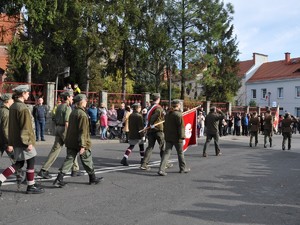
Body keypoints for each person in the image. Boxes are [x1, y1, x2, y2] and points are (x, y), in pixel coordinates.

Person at [0, 85, 44, 196]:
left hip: (16, 140)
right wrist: (28, 142)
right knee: (29, 161)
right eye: (27, 93)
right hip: (23, 140)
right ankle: (30, 186)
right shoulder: (23, 108)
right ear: (23, 93)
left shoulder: (14, 106)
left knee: (19, 163)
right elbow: (25, 126)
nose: (28, 94)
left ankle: (30, 184)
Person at [53, 94, 103, 187]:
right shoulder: (82, 114)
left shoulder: (74, 112)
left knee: (69, 159)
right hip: (80, 141)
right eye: (85, 100)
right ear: (81, 102)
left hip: (72, 140)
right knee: (87, 158)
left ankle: (59, 178)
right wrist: (83, 145)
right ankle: (93, 178)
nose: (86, 102)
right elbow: (83, 131)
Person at [38, 91, 82, 179]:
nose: (72, 98)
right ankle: (75, 170)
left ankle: (44, 170)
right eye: (71, 96)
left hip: (57, 128)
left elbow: (54, 118)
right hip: (64, 129)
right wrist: (71, 133)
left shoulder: (59, 106)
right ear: (68, 97)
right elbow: (67, 122)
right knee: (72, 148)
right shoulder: (67, 108)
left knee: (55, 150)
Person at [157, 100, 190, 176]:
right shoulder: (178, 115)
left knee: (166, 153)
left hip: (168, 136)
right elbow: (181, 127)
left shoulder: (168, 114)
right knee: (180, 153)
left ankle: (161, 169)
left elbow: (165, 125)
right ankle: (182, 168)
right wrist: (182, 136)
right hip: (177, 137)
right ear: (178, 105)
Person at [140, 93, 171, 170]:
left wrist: (150, 125)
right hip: (158, 130)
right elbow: (154, 116)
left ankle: (144, 164)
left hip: (150, 130)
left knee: (150, 147)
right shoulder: (158, 108)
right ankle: (165, 163)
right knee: (162, 146)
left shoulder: (150, 107)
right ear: (158, 99)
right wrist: (152, 124)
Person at [0, 94, 15, 161]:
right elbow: (6, 129)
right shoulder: (6, 112)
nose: (13, 101)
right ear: (7, 101)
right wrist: (10, 143)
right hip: (4, 140)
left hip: (2, 139)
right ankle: (17, 170)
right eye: (12, 99)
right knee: (16, 162)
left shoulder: (2, 109)